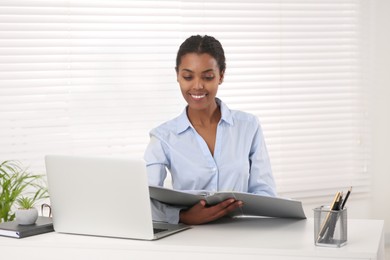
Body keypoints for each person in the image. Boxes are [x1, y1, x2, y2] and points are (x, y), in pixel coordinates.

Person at [144, 35, 276, 225]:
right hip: (190, 239)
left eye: (207, 77)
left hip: (244, 237)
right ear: (177, 75)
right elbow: (143, 198)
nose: (197, 86)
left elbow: (266, 192)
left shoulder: (248, 126)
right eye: (188, 77)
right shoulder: (163, 137)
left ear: (221, 75)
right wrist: (183, 216)